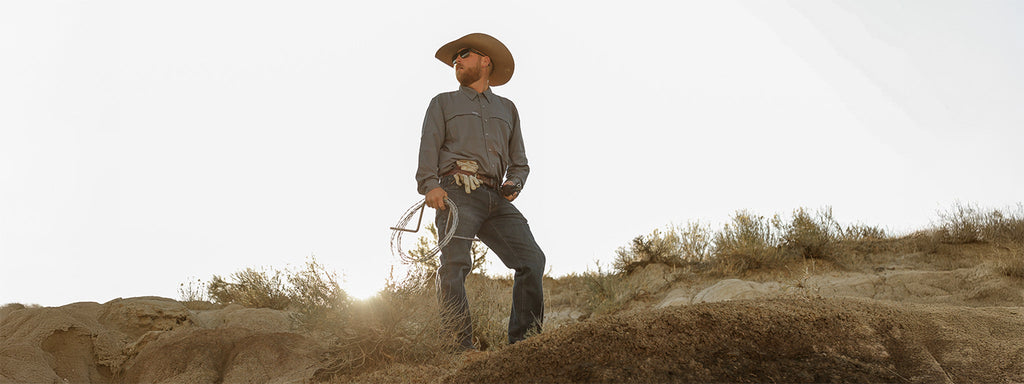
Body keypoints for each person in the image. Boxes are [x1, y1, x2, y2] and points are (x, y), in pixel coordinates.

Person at [415, 33, 545, 350]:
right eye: (455, 59)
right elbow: (427, 150)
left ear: (485, 60)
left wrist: (514, 183)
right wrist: (430, 185)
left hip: (495, 198)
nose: (456, 61)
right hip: (456, 192)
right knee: (454, 265)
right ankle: (459, 346)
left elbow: (520, 162)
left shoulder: (508, 109)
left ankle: (524, 343)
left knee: (532, 260)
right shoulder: (442, 103)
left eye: (463, 54)